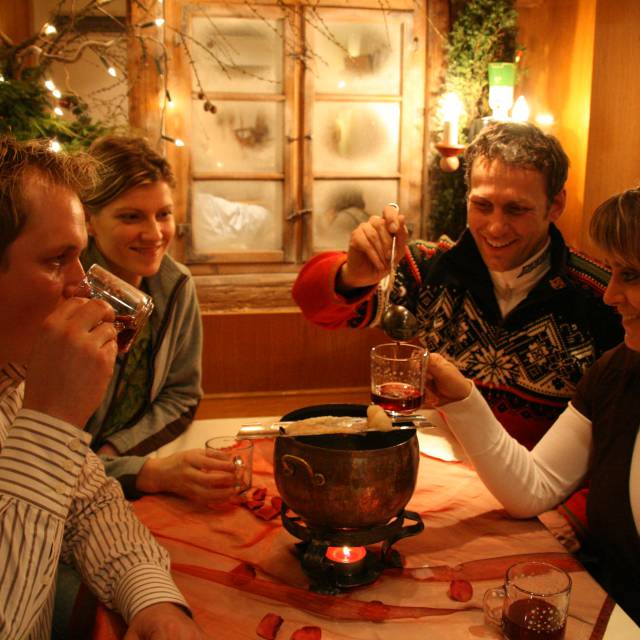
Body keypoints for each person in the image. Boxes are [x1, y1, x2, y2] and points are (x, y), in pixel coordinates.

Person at [292, 121, 623, 451]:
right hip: (440, 475)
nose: (495, 228)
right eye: (482, 205)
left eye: (516, 209)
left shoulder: (603, 297)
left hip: (545, 491)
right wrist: (353, 275)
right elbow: (313, 304)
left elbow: (616, 444)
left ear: (555, 205)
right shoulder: (428, 270)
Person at [0, 136, 205, 638]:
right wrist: (52, 421)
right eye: (57, 260)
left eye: (79, 257)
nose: (82, 284)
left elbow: (89, 505)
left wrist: (152, 599)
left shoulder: (12, 380)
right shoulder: (35, 391)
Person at [423, 187, 640, 625]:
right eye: (613, 273)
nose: (609, 295)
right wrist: (462, 399)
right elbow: (535, 488)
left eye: (631, 275)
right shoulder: (617, 373)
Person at [80, 135, 236, 506]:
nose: (154, 234)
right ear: (88, 220)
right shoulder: (62, 294)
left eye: (163, 214)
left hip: (123, 481)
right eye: (130, 216)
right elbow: (36, 450)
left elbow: (181, 395)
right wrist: (146, 472)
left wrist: (117, 455)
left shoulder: (176, 287)